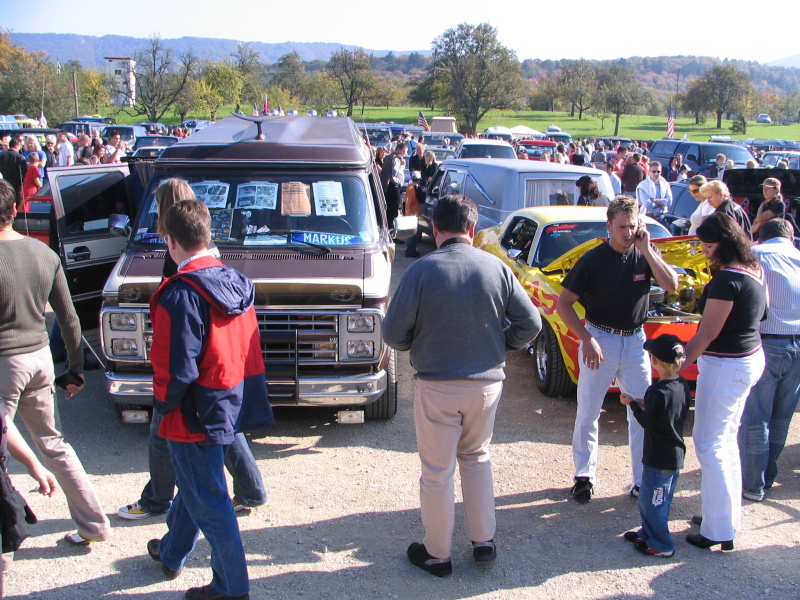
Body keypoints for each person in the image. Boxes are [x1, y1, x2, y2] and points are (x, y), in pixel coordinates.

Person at [383, 194, 541, 577]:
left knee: (437, 471)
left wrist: (414, 343)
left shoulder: (421, 271)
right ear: (473, 228)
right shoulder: (496, 268)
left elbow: (392, 333)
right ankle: (483, 539)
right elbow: (531, 324)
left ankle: (437, 552)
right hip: (487, 382)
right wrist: (500, 343)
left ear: (434, 229)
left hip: (437, 383)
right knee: (477, 457)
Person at [146, 199, 273, 600]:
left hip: (192, 410)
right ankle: (172, 551)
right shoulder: (238, 281)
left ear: (171, 242)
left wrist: (162, 404)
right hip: (229, 396)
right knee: (197, 484)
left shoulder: (179, 294)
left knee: (211, 499)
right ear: (207, 234)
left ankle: (231, 588)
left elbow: (175, 369)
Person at [117, 179, 266, 522]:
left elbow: (181, 327)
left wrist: (167, 390)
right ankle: (250, 490)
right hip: (223, 365)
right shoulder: (207, 248)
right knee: (225, 432)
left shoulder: (178, 259)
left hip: (195, 364)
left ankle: (157, 499)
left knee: (163, 434)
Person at [0, 179, 111, 547]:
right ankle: (93, 524)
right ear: (15, 210)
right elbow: (69, 319)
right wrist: (76, 369)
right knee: (55, 443)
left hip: (4, 364)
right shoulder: (44, 254)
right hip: (40, 361)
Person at [556, 196, 678, 503]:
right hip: (601, 338)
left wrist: (648, 249)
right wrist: (586, 338)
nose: (627, 232)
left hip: (636, 341)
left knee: (641, 411)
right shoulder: (593, 259)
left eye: (633, 226)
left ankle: (640, 480)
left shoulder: (645, 253)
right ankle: (584, 476)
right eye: (621, 226)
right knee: (588, 411)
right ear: (609, 226)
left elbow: (671, 285)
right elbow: (564, 304)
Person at [681, 212, 766, 551]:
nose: (704, 251)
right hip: (747, 358)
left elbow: (707, 334)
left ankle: (719, 529)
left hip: (726, 365)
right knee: (726, 442)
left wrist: (677, 365)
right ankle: (724, 516)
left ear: (724, 243)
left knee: (710, 444)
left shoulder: (726, 280)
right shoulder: (753, 269)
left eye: (708, 245)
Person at [738, 219, 800, 503]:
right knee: (781, 418)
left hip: (768, 340)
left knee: (755, 418)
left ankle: (752, 484)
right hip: (797, 343)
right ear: (790, 237)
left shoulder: (756, 255)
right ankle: (767, 475)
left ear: (762, 237)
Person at [621, 334, 691, 558]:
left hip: (658, 457)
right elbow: (668, 411)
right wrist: (645, 404)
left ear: (655, 361)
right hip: (675, 454)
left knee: (652, 502)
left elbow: (646, 422)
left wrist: (631, 403)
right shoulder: (681, 385)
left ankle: (662, 545)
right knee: (661, 498)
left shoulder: (656, 391)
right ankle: (648, 532)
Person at [380, 141, 406, 232]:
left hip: (389, 186)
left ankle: (389, 229)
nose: (404, 153)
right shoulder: (396, 158)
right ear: (398, 149)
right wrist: (402, 165)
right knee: (394, 209)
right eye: (403, 151)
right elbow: (395, 172)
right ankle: (392, 231)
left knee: (390, 209)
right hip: (393, 186)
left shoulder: (389, 157)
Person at [403, 171, 424, 258]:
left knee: (412, 235)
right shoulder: (416, 188)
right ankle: (410, 251)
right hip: (414, 214)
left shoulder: (409, 188)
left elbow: (406, 202)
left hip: (410, 213)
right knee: (413, 235)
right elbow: (421, 200)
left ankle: (412, 250)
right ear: (419, 180)